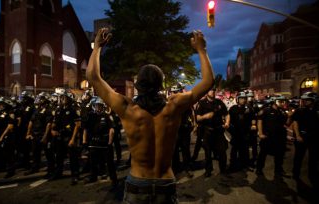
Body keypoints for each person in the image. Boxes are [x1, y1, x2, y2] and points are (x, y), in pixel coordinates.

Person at [86, 28, 214, 203]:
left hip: (137, 184)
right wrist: (201, 50)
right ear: (161, 84)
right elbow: (208, 82)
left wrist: (97, 48)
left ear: (138, 84)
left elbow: (93, 77)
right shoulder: (173, 106)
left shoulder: (128, 109)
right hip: (165, 183)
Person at [196, 89, 230, 177]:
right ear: (207, 92)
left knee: (222, 151)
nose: (213, 92)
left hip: (219, 131)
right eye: (211, 91)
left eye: (214, 91)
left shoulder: (219, 102)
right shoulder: (202, 103)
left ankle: (223, 169)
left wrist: (227, 122)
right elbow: (198, 118)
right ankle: (208, 170)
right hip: (207, 131)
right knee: (208, 152)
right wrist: (205, 116)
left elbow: (226, 114)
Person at [256, 95, 290, 178]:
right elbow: (259, 121)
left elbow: (286, 124)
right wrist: (260, 133)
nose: (282, 103)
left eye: (283, 101)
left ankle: (278, 170)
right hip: (268, 136)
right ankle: (259, 169)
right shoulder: (266, 111)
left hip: (279, 137)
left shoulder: (282, 112)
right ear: (274, 102)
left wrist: (290, 116)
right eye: (280, 101)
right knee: (263, 154)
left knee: (279, 155)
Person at [291, 92, 319, 192]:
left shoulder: (316, 111)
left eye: (308, 100)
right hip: (302, 137)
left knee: (314, 159)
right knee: (298, 157)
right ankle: (295, 173)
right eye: (304, 100)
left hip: (314, 138)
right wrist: (298, 135)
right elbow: (295, 123)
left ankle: (313, 175)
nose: (305, 101)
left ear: (313, 100)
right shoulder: (300, 110)